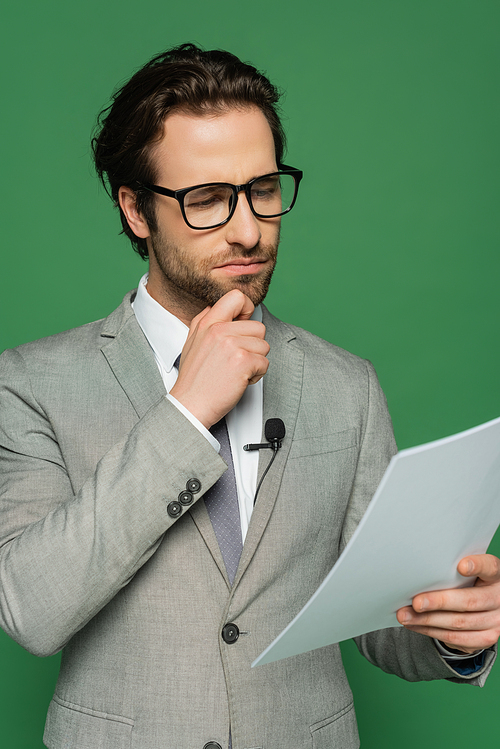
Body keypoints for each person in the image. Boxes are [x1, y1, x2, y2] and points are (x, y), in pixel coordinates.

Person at [0, 43, 499, 749]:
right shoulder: (27, 383)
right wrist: (183, 414)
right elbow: (31, 607)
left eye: (263, 189)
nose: (247, 228)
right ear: (136, 210)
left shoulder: (346, 385)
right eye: (206, 199)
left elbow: (383, 625)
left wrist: (457, 632)